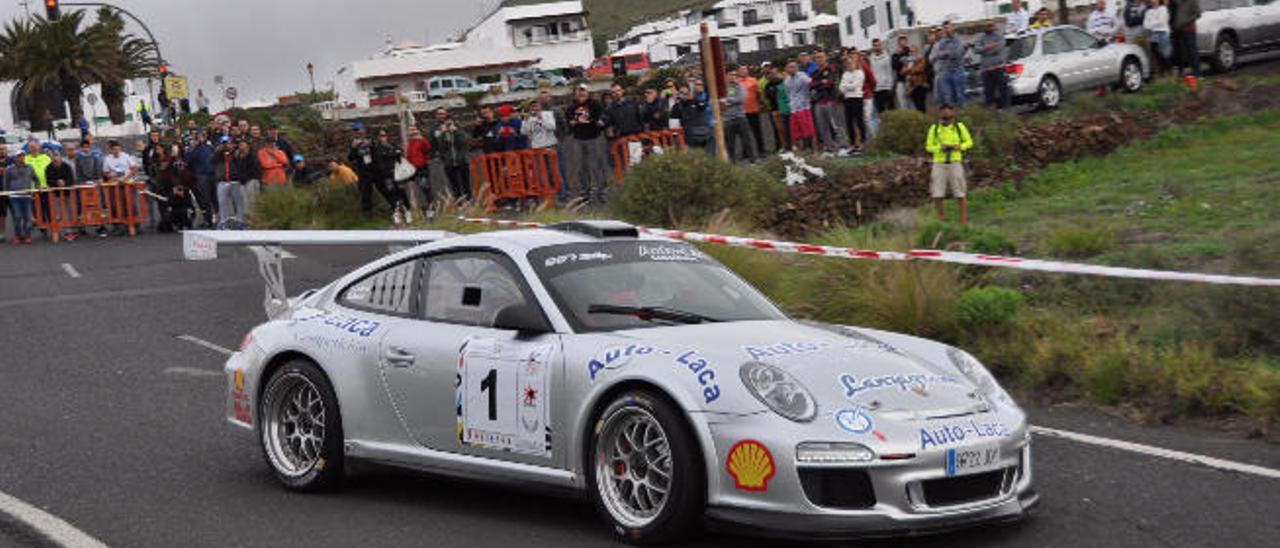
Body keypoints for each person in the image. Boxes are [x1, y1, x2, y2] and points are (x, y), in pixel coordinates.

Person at [925, 105, 973, 226]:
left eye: (950, 117)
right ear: (940, 116)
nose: (947, 120)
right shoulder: (934, 129)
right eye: (944, 118)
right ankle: (941, 216)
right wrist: (940, 148)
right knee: (937, 192)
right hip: (939, 163)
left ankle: (964, 219)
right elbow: (928, 147)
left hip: (955, 162)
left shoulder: (959, 127)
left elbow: (969, 142)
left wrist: (960, 147)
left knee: (960, 192)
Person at [565, 84, 606, 203]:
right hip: (578, 139)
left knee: (595, 166)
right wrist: (572, 123)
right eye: (579, 91)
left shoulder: (595, 104)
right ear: (575, 93)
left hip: (593, 138)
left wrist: (601, 122)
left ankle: (600, 191)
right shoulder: (571, 107)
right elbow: (568, 122)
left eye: (583, 91)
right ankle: (585, 192)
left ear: (588, 92)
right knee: (581, 167)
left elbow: (602, 117)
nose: (581, 93)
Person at [810, 51, 850, 155]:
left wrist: (819, 84)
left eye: (821, 57)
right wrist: (820, 83)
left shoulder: (832, 68)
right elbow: (811, 85)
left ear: (826, 57)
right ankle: (829, 148)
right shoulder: (814, 72)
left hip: (831, 100)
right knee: (823, 127)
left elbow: (829, 83)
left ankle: (844, 146)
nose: (819, 59)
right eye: (817, 58)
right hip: (819, 102)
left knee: (836, 125)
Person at [430, 108, 471, 200]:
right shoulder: (434, 129)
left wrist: (456, 132)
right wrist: (443, 133)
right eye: (439, 114)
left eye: (443, 114)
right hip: (448, 161)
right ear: (436, 115)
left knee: (466, 183)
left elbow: (464, 142)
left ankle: (469, 201)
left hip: (462, 160)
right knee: (454, 184)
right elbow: (436, 145)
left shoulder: (458, 127)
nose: (442, 116)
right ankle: (459, 202)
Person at [931, 21, 967, 108]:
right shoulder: (942, 42)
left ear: (952, 28)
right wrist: (947, 53)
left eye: (948, 28)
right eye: (945, 28)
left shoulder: (959, 40)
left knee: (960, 96)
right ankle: (952, 118)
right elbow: (938, 55)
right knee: (948, 97)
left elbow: (957, 54)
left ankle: (962, 117)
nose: (946, 30)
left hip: (958, 70)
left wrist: (946, 53)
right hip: (946, 71)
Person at [720, 76, 756, 162]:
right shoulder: (721, 88)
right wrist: (727, 102)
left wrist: (726, 100)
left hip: (740, 117)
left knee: (746, 140)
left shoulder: (739, 86)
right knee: (730, 143)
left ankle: (752, 159)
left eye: (734, 75)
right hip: (727, 119)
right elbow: (718, 102)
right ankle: (732, 162)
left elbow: (741, 99)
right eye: (729, 75)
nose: (731, 77)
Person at [784, 60, 817, 152]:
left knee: (809, 131)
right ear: (786, 69)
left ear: (797, 67)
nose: (792, 69)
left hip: (804, 108)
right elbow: (788, 94)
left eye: (794, 66)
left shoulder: (802, 76)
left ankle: (814, 151)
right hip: (793, 109)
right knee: (797, 133)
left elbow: (812, 85)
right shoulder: (787, 81)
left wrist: (811, 97)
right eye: (790, 67)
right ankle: (802, 152)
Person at [4, 150, 37, 244]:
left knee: (27, 217)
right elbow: (5, 182)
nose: (21, 158)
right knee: (17, 217)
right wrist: (7, 194)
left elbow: (36, 179)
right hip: (14, 197)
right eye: (19, 156)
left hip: (27, 196)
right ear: (15, 158)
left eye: (23, 156)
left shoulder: (30, 167)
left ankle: (28, 235)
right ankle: (18, 236)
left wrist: (37, 186)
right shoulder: (9, 169)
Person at [184, 133, 216, 226]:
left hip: (212, 175)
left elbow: (215, 158)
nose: (202, 138)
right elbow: (187, 161)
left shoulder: (209, 147)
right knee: (205, 199)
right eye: (200, 136)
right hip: (201, 176)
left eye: (203, 136)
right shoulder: (192, 149)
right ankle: (208, 220)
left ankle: (217, 218)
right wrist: (192, 148)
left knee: (215, 199)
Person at [213, 136, 245, 227]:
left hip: (235, 181)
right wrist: (220, 151)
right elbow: (212, 161)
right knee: (222, 202)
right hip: (222, 181)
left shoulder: (236, 153)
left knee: (238, 202)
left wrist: (232, 151)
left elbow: (240, 162)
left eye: (227, 143)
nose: (226, 145)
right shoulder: (219, 155)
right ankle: (224, 222)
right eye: (224, 143)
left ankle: (240, 221)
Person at [977, 21, 1011, 109]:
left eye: (990, 25)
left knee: (1003, 90)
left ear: (994, 26)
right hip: (986, 69)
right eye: (987, 26)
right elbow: (976, 49)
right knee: (988, 92)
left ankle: (1005, 109)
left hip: (998, 67)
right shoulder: (981, 38)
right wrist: (987, 47)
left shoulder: (999, 36)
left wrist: (985, 51)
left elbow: (998, 48)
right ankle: (991, 111)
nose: (988, 27)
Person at [372, 129, 408, 210]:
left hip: (396, 172)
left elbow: (399, 154)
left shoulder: (393, 145)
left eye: (384, 135)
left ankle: (407, 209)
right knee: (391, 192)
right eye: (380, 136)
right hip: (386, 175)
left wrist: (393, 153)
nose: (382, 138)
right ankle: (397, 212)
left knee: (401, 191)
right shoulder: (376, 148)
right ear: (378, 137)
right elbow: (377, 160)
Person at [839, 54, 869, 151]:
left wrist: (847, 86)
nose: (849, 65)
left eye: (851, 63)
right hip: (848, 99)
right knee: (849, 122)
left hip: (857, 98)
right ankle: (853, 143)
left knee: (859, 121)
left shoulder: (860, 73)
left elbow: (856, 85)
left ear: (855, 63)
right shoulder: (845, 74)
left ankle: (864, 142)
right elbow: (841, 88)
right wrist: (849, 86)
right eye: (847, 63)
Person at [1171, 0, 1202, 87]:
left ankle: (1198, 74)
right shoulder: (1179, 3)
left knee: (1192, 52)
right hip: (1180, 31)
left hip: (1189, 29)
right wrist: (1176, 25)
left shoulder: (1192, 1)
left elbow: (1198, 14)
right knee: (1182, 53)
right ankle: (1183, 75)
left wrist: (1186, 22)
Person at [761, 63, 791, 152]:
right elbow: (767, 98)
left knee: (788, 129)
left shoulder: (783, 82)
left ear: (777, 72)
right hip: (775, 110)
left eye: (774, 72)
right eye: (770, 73)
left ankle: (793, 145)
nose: (772, 74)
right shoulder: (767, 86)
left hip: (786, 109)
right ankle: (784, 146)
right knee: (779, 130)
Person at [736, 66, 765, 153]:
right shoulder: (736, 82)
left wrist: (760, 104)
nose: (743, 71)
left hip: (754, 110)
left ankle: (761, 150)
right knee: (743, 133)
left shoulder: (753, 80)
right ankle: (746, 152)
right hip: (742, 112)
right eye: (741, 70)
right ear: (738, 72)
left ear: (748, 71)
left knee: (757, 131)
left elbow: (758, 93)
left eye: (745, 69)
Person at [673, 85, 711, 150]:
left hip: (702, 133)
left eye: (685, 93)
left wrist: (693, 99)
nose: (684, 95)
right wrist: (676, 103)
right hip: (689, 135)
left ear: (689, 93)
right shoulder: (680, 104)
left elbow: (703, 105)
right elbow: (674, 115)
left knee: (706, 154)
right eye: (681, 93)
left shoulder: (696, 100)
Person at [405, 125, 432, 209]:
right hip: (413, 169)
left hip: (422, 167)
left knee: (425, 186)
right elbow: (409, 156)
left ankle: (431, 206)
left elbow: (428, 149)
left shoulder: (420, 140)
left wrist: (421, 138)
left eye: (413, 130)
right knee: (419, 187)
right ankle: (424, 206)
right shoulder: (409, 142)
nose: (412, 132)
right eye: (410, 130)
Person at [1145, 0, 1172, 76]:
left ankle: (1169, 71)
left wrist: (1150, 24)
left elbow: (1162, 22)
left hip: (1162, 33)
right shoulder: (1149, 11)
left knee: (1164, 54)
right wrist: (1152, 24)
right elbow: (1145, 24)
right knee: (1156, 54)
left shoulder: (1163, 9)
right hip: (1153, 34)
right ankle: (1162, 72)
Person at [869, 39, 895, 113]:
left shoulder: (887, 57)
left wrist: (890, 86)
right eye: (875, 45)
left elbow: (889, 72)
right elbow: (871, 73)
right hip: (876, 88)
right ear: (873, 47)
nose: (877, 47)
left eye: (878, 45)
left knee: (891, 109)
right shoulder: (871, 58)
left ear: (881, 46)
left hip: (886, 87)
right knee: (880, 111)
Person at [904, 45, 931, 112]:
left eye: (913, 51)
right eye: (910, 51)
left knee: (921, 104)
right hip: (911, 86)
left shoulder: (921, 59)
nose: (911, 53)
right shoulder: (908, 60)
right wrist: (909, 70)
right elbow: (902, 71)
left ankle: (924, 120)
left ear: (917, 51)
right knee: (916, 105)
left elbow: (919, 69)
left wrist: (909, 70)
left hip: (920, 84)